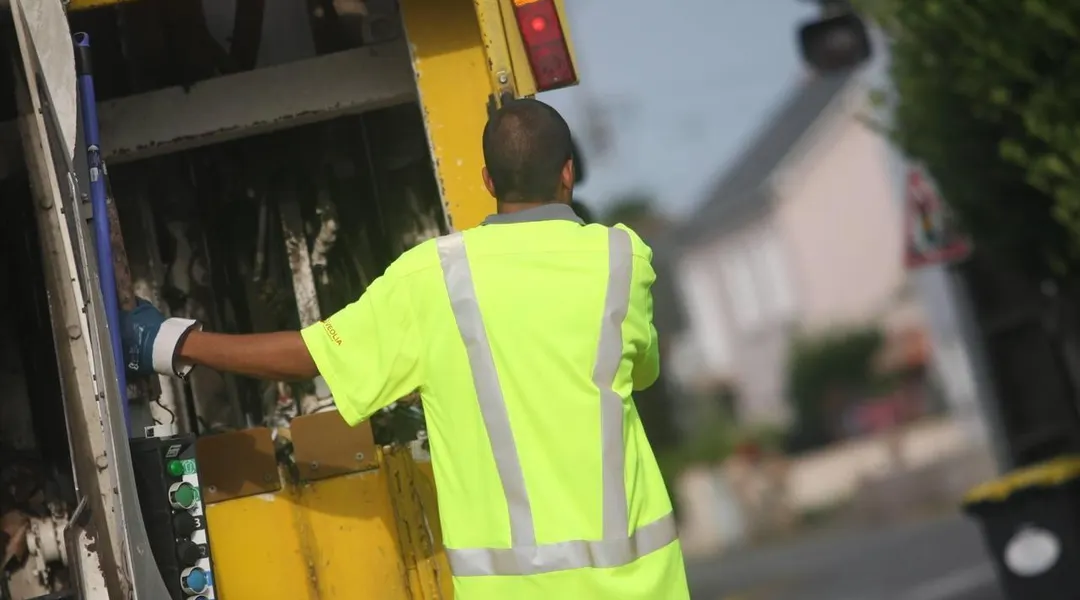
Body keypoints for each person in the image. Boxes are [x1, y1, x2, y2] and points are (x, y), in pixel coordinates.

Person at [121, 98, 689, 599]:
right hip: (644, 588)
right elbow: (635, 373)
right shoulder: (621, 259)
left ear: (488, 181)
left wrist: (174, 339)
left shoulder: (434, 277)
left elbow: (308, 357)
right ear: (568, 174)